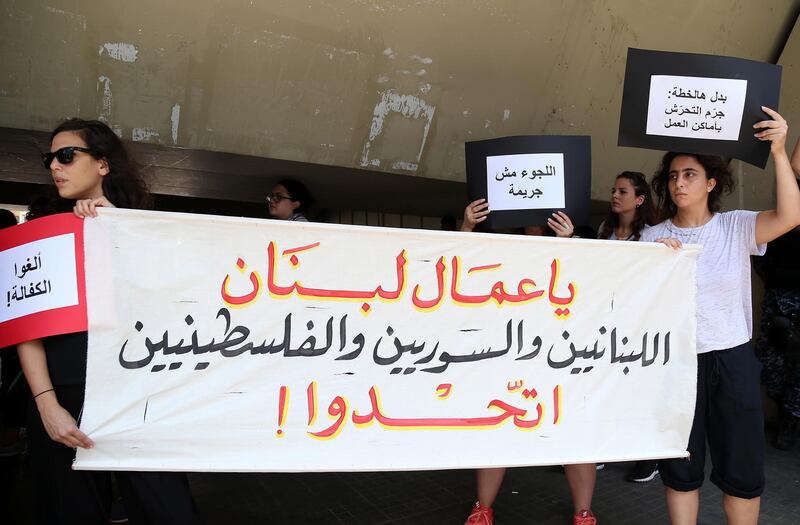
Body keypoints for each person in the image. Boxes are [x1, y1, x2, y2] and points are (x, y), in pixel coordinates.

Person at [17, 118, 201, 525]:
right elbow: (25, 328)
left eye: (67, 155)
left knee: (169, 511)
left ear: (103, 164)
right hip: (61, 393)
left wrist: (119, 228)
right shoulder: (39, 233)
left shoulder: (142, 227)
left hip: (137, 391)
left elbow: (170, 303)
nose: (54, 166)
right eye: (50, 158)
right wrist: (47, 406)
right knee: (73, 514)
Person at [642, 106, 800, 524]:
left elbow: (791, 216)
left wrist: (780, 151)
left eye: (689, 174)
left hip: (731, 359)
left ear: (711, 183)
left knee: (743, 471)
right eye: (673, 176)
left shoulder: (735, 227)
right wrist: (654, 264)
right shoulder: (652, 238)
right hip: (674, 362)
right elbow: (637, 303)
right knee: (680, 467)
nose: (679, 182)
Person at [460, 200, 597, 525]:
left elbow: (594, 279)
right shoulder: (501, 246)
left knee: (573, 432)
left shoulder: (578, 240)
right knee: (496, 428)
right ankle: (483, 509)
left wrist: (569, 243)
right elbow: (461, 264)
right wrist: (467, 227)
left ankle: (584, 513)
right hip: (510, 354)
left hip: (563, 355)